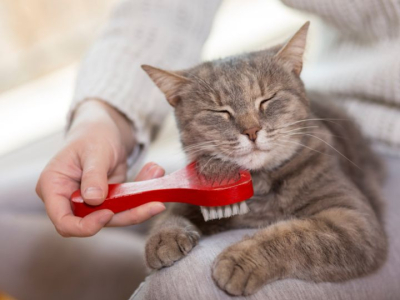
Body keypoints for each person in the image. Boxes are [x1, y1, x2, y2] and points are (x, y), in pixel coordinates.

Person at [35, 0, 400, 299]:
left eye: (265, 103)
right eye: (222, 115)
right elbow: (161, 12)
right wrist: (101, 117)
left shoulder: (318, 150)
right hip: (318, 96)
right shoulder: (215, 157)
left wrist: (267, 254)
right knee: (18, 200)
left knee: (185, 283)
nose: (250, 129)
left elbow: (359, 239)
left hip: (390, 139)